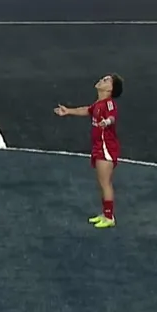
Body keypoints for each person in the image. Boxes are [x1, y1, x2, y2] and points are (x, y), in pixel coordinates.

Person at [54, 74, 124, 229]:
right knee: (101, 182)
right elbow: (86, 110)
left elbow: (112, 116)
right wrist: (68, 111)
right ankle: (105, 213)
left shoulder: (108, 103)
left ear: (110, 89)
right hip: (99, 146)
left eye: (106, 80)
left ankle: (109, 217)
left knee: (105, 182)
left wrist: (107, 122)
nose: (101, 80)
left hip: (106, 147)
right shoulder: (98, 104)